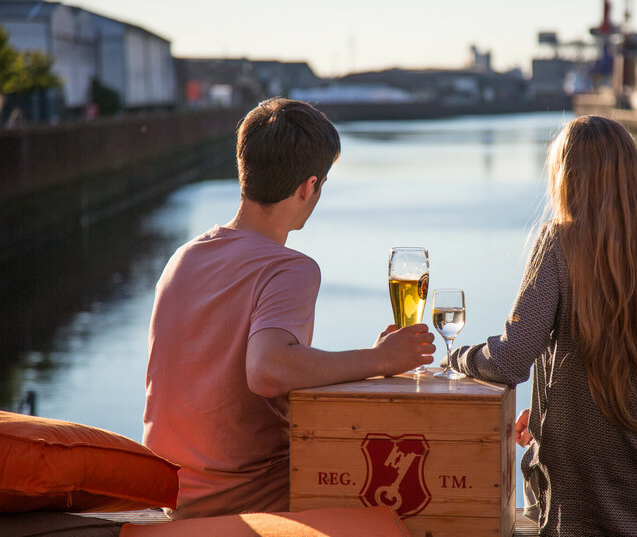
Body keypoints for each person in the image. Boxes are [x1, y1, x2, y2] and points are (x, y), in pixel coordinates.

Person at [143, 98, 436, 519]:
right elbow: (268, 370)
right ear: (308, 186)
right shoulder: (289, 268)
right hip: (250, 498)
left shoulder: (183, 258)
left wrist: (371, 358)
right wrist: (379, 360)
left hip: (170, 497)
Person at [448, 115, 637, 536]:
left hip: (582, 519)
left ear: (566, 179)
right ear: (635, 176)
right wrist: (548, 412)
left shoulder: (560, 246)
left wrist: (457, 357)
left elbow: (509, 361)